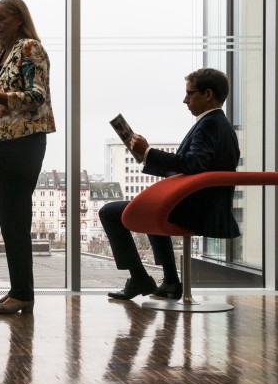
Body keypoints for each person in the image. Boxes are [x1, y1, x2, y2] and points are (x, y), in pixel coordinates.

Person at [103, 68, 241, 301]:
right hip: (207, 207)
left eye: (190, 93)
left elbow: (193, 164)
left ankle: (141, 277)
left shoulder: (210, 125)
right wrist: (145, 156)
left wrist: (147, 151)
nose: (184, 100)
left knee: (109, 212)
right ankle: (169, 282)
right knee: (151, 207)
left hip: (197, 210)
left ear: (208, 94)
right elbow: (192, 167)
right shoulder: (217, 124)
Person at [0, 0, 56, 315]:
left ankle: (24, 293)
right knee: (8, 219)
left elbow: (36, 97)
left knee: (16, 216)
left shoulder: (30, 47)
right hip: (2, 143)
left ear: (19, 18)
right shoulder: (3, 55)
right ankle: (19, 290)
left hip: (24, 142)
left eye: (1, 18)